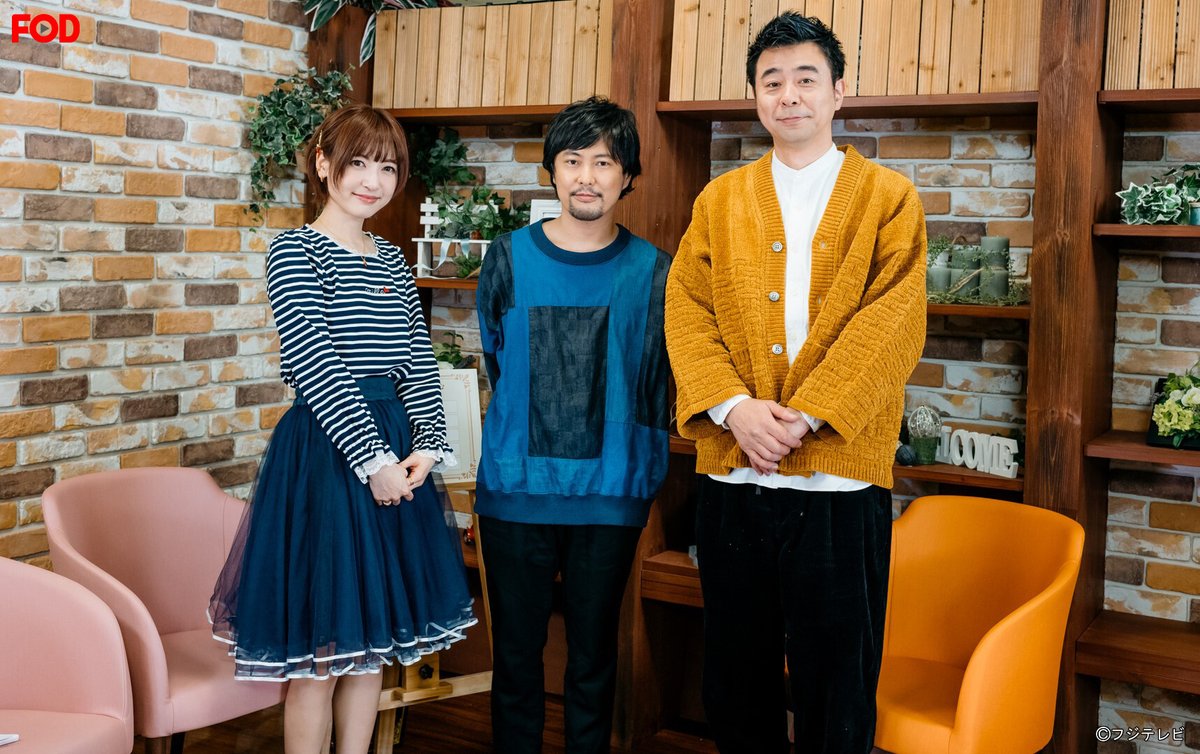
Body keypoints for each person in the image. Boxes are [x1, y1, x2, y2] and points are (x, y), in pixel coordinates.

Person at [665, 12, 927, 754]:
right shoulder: (719, 201)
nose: (789, 95)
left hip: (840, 487)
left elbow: (893, 322)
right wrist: (735, 409)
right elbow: (686, 310)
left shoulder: (888, 197)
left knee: (837, 683)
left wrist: (805, 416)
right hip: (734, 479)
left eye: (806, 79)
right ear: (756, 97)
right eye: (772, 81)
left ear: (838, 91)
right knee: (734, 679)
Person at [209, 104, 476, 754]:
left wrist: (426, 447)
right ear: (324, 164)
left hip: (394, 449)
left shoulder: (391, 259)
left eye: (387, 168)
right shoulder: (294, 251)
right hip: (328, 455)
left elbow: (417, 359)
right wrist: (373, 461)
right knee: (321, 656)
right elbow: (315, 362)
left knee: (369, 650)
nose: (372, 181)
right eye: (358, 163)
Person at [475, 96, 671, 754]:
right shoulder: (506, 257)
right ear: (553, 171)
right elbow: (498, 358)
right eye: (573, 160)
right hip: (515, 489)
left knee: (593, 661)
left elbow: (655, 377)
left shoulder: (653, 271)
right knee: (516, 661)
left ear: (627, 175)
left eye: (605, 162)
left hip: (611, 492)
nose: (587, 176)